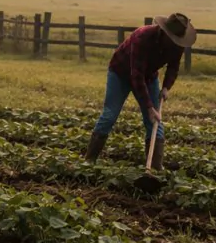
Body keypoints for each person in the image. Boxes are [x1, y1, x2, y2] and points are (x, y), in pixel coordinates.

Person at [84, 12, 197, 170]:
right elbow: (136, 75)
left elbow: (173, 67)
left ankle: (155, 168)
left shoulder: (177, 44)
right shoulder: (142, 37)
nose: (174, 42)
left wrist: (166, 87)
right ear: (163, 32)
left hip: (149, 77)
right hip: (120, 74)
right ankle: (89, 160)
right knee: (110, 115)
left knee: (155, 121)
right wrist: (149, 107)